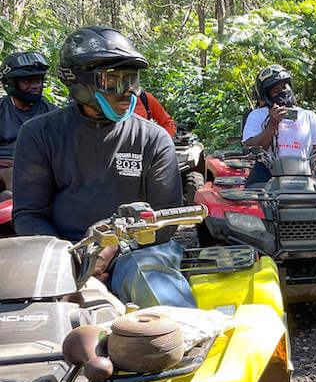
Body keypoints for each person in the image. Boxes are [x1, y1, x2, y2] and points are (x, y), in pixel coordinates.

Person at [12, 26, 195, 308]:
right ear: (77, 81)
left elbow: (164, 220)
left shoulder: (153, 138)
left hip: (139, 251)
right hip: (63, 253)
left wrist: (116, 247)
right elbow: (28, 215)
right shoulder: (39, 134)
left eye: (131, 79)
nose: (128, 93)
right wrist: (73, 258)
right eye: (112, 80)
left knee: (149, 277)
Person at [241, 64, 316, 184]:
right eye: (276, 91)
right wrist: (272, 124)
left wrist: (311, 171)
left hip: (306, 171)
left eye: (285, 88)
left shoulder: (308, 116)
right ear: (267, 96)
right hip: (267, 172)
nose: (283, 92)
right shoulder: (257, 115)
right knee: (251, 198)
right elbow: (250, 147)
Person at [1, 52, 56, 189]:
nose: (35, 86)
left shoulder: (51, 112)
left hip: (38, 174)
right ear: (11, 83)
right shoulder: (2, 110)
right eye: (27, 81)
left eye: (37, 81)